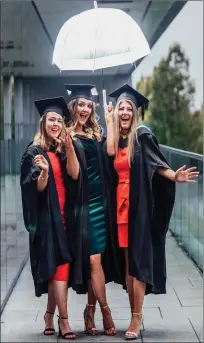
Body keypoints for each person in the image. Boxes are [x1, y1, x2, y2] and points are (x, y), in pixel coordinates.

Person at [105, 84, 199, 340]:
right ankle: (133, 310)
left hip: (139, 206)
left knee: (138, 261)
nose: (124, 112)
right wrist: (108, 121)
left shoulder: (142, 136)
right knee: (127, 260)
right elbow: (109, 153)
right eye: (121, 108)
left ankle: (137, 317)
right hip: (119, 207)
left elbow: (157, 164)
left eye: (129, 109)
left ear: (135, 113)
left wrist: (173, 175)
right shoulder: (117, 139)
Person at [20, 96, 80, 340]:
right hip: (48, 221)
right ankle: (64, 321)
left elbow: (75, 175)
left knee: (60, 268)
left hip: (67, 217)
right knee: (60, 268)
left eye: (59, 120)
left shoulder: (61, 148)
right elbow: (38, 187)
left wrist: (69, 148)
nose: (55, 123)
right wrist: (44, 171)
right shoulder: (33, 152)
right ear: (43, 122)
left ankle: (48, 315)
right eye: (51, 119)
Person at [64, 84, 119, 336]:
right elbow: (73, 174)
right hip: (83, 207)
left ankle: (89, 310)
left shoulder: (97, 134)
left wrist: (110, 122)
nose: (85, 108)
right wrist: (67, 146)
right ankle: (106, 311)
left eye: (88, 105)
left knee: (96, 261)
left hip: (102, 203)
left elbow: (110, 152)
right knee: (93, 259)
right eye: (81, 104)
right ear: (74, 107)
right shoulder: (67, 136)